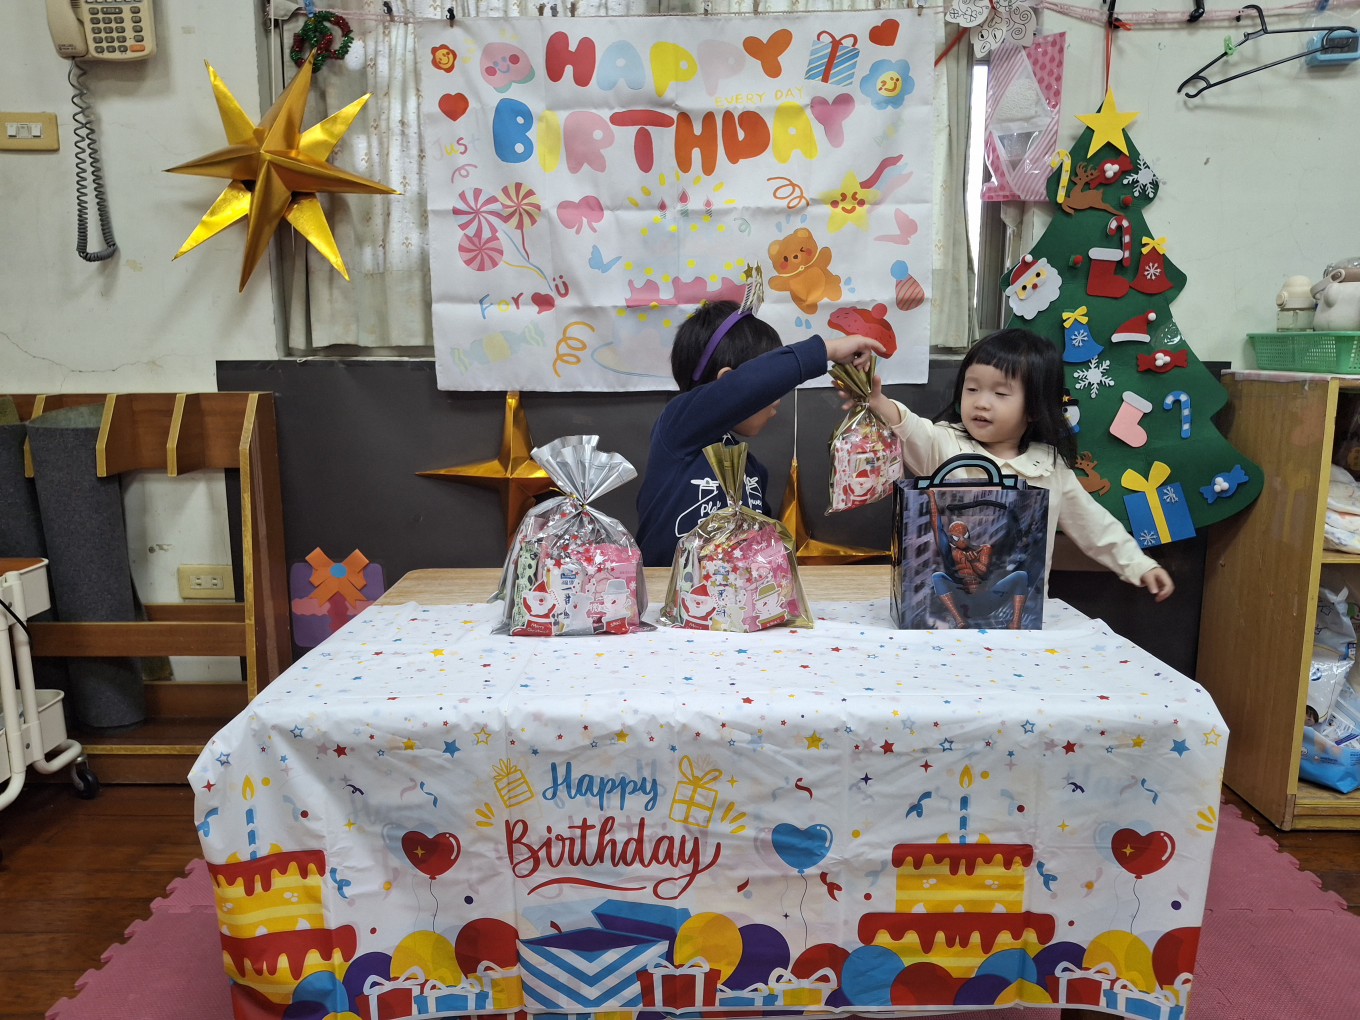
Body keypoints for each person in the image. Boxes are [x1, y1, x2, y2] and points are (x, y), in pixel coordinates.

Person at [853, 327, 1174, 604]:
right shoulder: (945, 443)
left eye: (1000, 392)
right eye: (972, 388)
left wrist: (1139, 565)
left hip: (1021, 614)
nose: (981, 402)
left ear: (1034, 407)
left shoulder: (1048, 467)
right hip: (945, 611)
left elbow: (1094, 525)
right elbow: (910, 428)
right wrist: (878, 401)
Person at [636, 300, 884, 567]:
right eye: (770, 390)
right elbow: (748, 385)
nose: (777, 402)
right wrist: (827, 350)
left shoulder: (750, 470)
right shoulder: (678, 428)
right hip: (664, 589)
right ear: (729, 382)